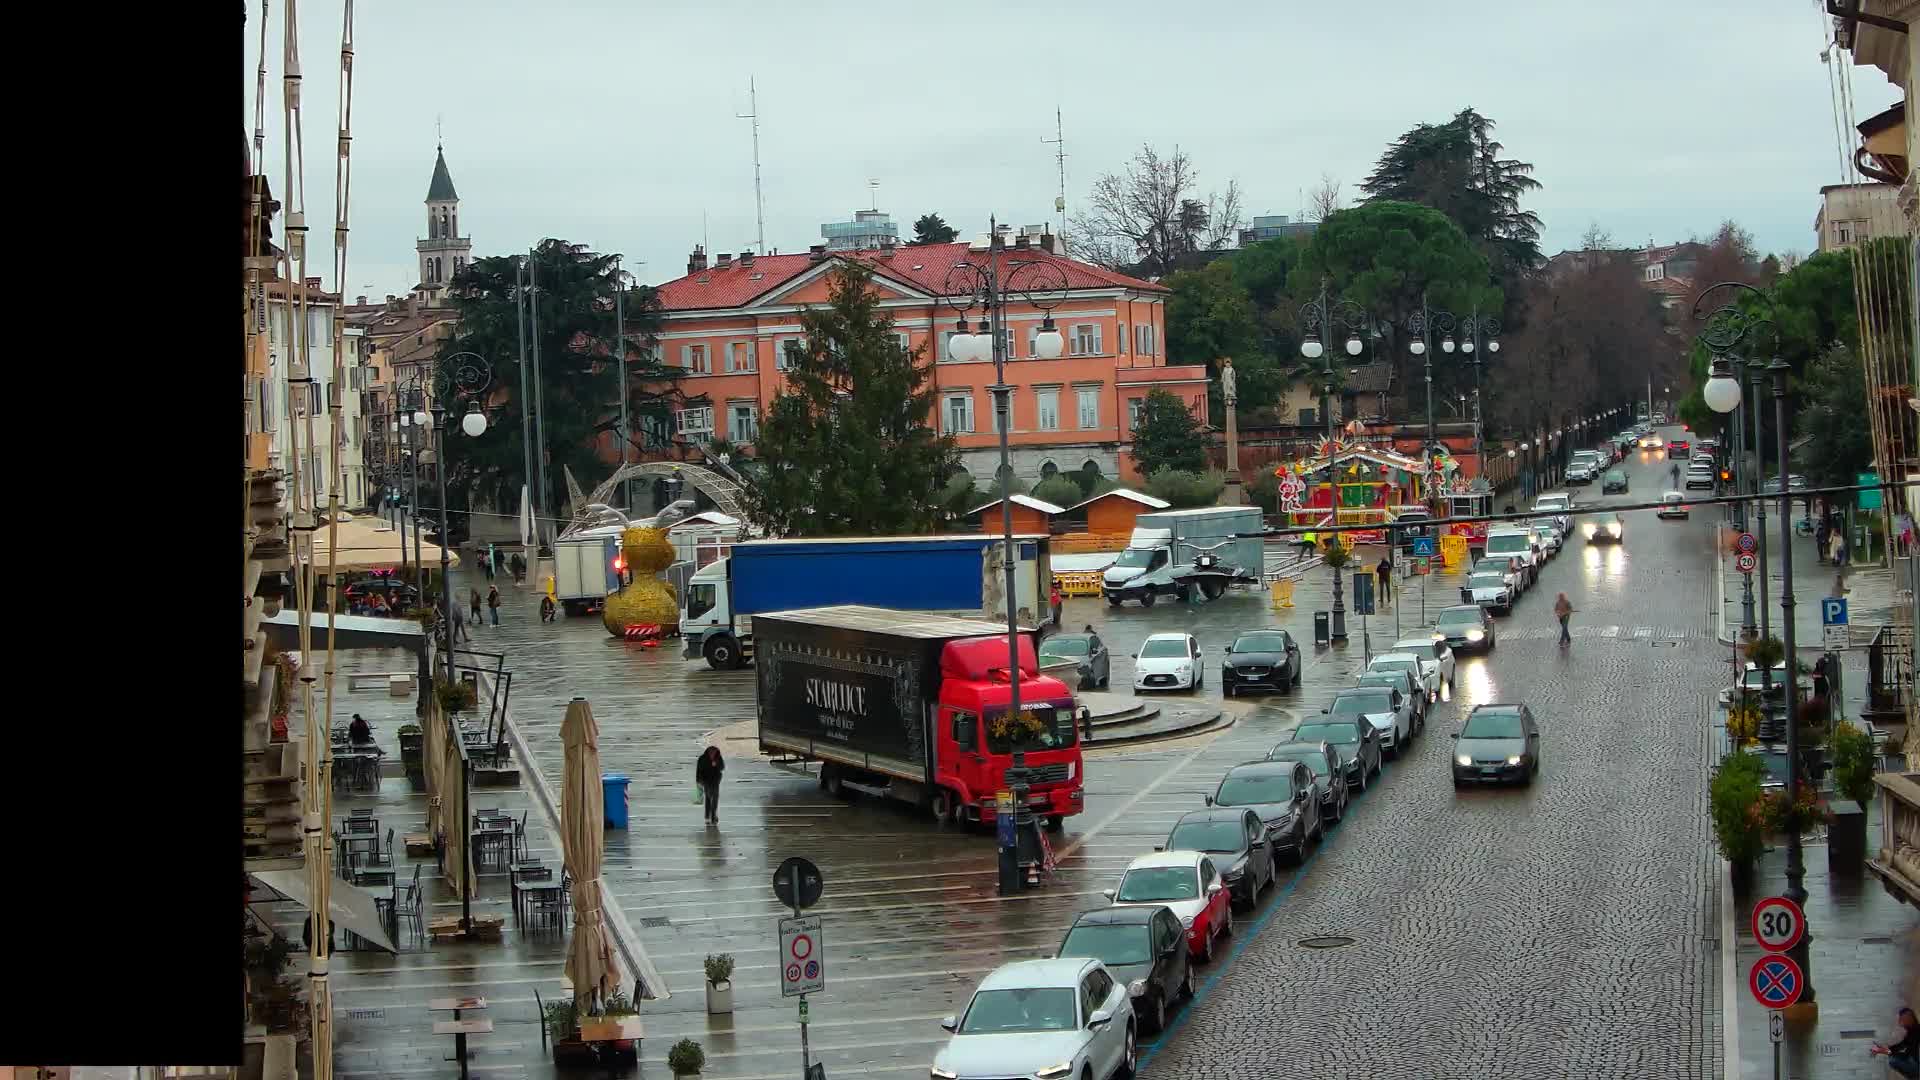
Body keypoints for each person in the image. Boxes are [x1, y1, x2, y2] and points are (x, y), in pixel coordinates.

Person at [1870, 1006, 1919, 1077]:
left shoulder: (1915, 1033)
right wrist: (1883, 1049)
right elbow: (1898, 1048)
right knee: (1893, 1058)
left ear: (1909, 1018)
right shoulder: (1911, 1033)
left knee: (1893, 1060)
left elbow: (1903, 1053)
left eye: (1902, 1019)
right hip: (1914, 1061)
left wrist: (1885, 1051)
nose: (1900, 1023)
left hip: (1917, 1065)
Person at [695, 745, 725, 825]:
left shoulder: (718, 757)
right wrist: (698, 781)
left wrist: (717, 764)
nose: (712, 754)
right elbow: (698, 771)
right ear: (708, 752)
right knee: (708, 797)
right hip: (706, 781)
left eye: (714, 753)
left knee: (714, 798)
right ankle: (709, 816)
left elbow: (722, 767)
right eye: (711, 753)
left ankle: (712, 816)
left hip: (715, 781)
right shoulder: (702, 759)